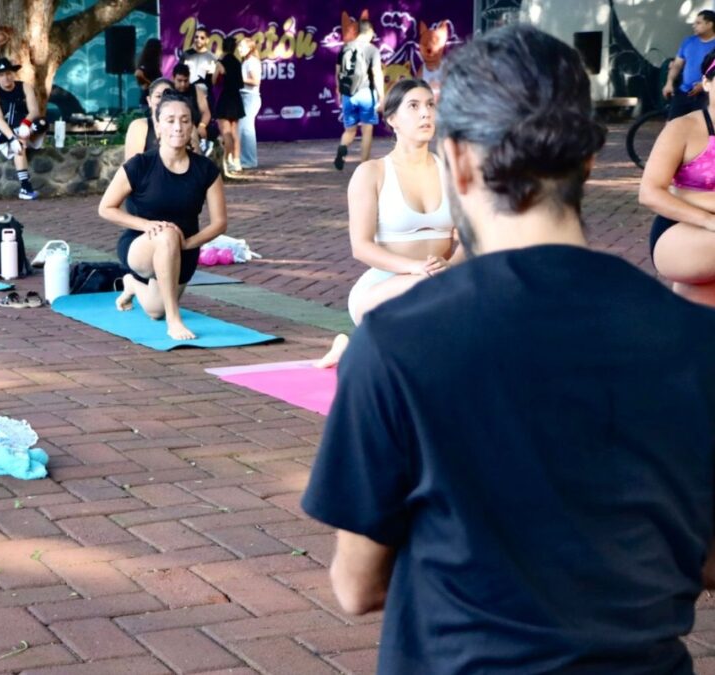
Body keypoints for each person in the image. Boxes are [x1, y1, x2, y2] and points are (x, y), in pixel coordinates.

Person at [304, 25, 715, 673]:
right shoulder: (693, 336)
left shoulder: (397, 343)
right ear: (587, 160)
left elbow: (358, 587)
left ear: (459, 160)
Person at [315, 78, 458, 368]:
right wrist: (415, 268)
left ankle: (356, 348)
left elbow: (471, 237)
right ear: (392, 119)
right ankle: (362, 347)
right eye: (414, 106)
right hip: (383, 287)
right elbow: (361, 247)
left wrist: (451, 266)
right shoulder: (372, 173)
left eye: (430, 105)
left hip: (440, 283)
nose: (425, 113)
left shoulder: (453, 171)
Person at [98, 90, 226, 341]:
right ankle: (174, 320)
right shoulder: (140, 165)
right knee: (167, 234)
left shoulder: (206, 170)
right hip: (140, 246)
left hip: (184, 249)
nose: (178, 127)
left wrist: (188, 243)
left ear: (192, 126)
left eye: (185, 120)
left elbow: (220, 223)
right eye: (170, 120)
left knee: (154, 310)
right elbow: (106, 208)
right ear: (157, 126)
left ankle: (132, 285)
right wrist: (146, 225)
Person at [641, 50, 715, 306]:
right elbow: (649, 193)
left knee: (697, 316)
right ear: (706, 83)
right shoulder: (682, 128)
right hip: (679, 228)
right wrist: (707, 219)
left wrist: (682, 193)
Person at [0, 57, 47, 201]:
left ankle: (22, 139)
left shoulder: (24, 87)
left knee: (42, 123)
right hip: (4, 133)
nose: (6, 78)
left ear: (13, 74)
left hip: (25, 129)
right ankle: (25, 187)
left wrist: (25, 124)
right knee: (19, 145)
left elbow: (34, 111)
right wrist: (12, 138)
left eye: (8, 73)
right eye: (1, 75)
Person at [334, 17, 384, 171]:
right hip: (366, 94)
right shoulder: (372, 50)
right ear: (369, 32)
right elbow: (376, 74)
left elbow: (338, 72)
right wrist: (382, 96)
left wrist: (339, 91)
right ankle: (364, 164)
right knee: (367, 130)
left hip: (348, 94)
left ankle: (342, 147)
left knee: (350, 130)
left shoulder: (345, 48)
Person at [664, 10, 715, 121]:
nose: (694, 26)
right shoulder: (688, 42)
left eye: (698, 23)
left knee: (704, 126)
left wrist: (704, 85)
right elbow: (677, 64)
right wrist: (669, 82)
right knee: (672, 124)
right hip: (684, 92)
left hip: (706, 95)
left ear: (710, 24)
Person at [213, 36, 245, 177]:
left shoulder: (221, 62)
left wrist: (218, 67)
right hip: (236, 99)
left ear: (223, 47)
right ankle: (237, 161)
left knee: (226, 133)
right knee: (234, 132)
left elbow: (214, 80)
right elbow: (240, 83)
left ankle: (227, 160)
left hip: (225, 99)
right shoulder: (238, 62)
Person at [124, 78, 174, 160]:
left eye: (167, 95)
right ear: (149, 100)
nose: (163, 100)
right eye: (158, 96)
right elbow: (132, 165)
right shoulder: (139, 126)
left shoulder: (185, 125)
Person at [172, 64, 215, 155]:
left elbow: (206, 112)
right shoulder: (168, 91)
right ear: (173, 78)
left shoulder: (196, 90)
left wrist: (202, 125)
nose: (183, 84)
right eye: (179, 81)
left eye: (186, 81)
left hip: (194, 128)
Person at [237, 38, 262, 170]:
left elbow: (255, 81)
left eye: (242, 46)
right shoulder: (245, 62)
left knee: (246, 129)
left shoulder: (252, 62)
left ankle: (250, 160)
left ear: (250, 48)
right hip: (244, 97)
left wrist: (238, 78)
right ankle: (243, 159)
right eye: (239, 46)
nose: (239, 49)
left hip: (250, 97)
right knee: (242, 129)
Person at [134, 38, 163, 109]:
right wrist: (149, 82)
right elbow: (138, 74)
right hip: (147, 101)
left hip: (154, 99)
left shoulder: (154, 64)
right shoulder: (146, 64)